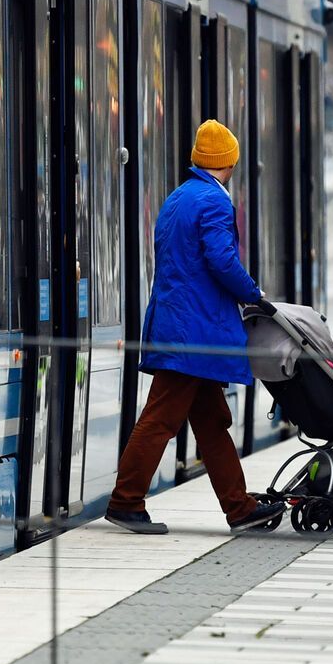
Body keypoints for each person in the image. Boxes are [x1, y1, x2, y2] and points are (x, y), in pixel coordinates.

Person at [107, 120, 283, 536]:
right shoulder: (214, 202)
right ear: (231, 162)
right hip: (195, 331)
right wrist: (254, 294)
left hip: (179, 323)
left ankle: (239, 508)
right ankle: (126, 501)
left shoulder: (179, 196)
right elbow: (222, 260)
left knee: (211, 421)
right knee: (160, 418)